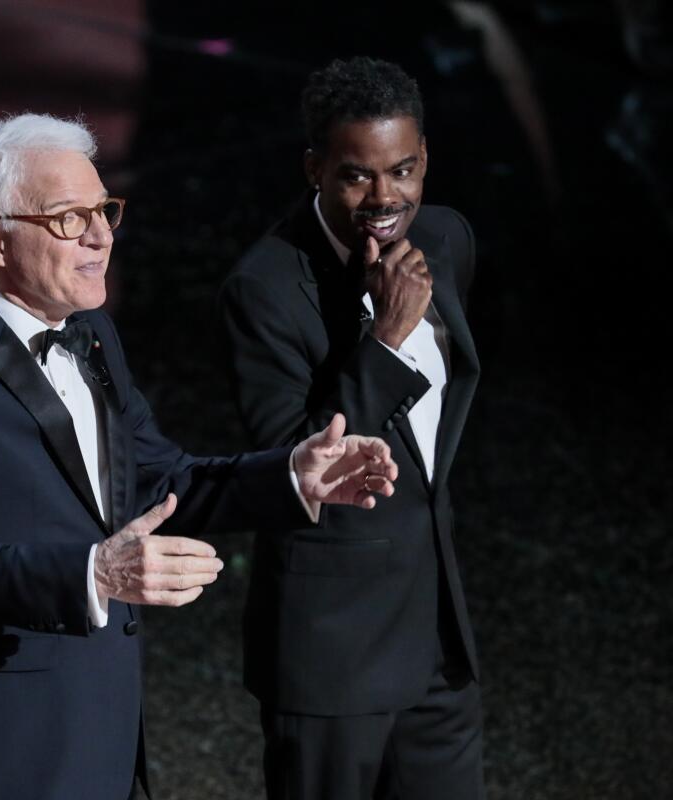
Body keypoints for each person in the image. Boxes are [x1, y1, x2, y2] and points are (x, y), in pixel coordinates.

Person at [0, 113, 400, 800]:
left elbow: (162, 479)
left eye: (104, 210)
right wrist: (93, 573)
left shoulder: (93, 335)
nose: (100, 236)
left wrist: (292, 474)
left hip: (103, 738)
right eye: (69, 218)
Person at [219, 57, 484, 799]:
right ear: (315, 168)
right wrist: (387, 342)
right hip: (331, 652)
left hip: (437, 643)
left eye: (402, 170)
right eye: (356, 176)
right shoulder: (264, 289)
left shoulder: (447, 241)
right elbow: (299, 464)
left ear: (424, 157)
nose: (384, 196)